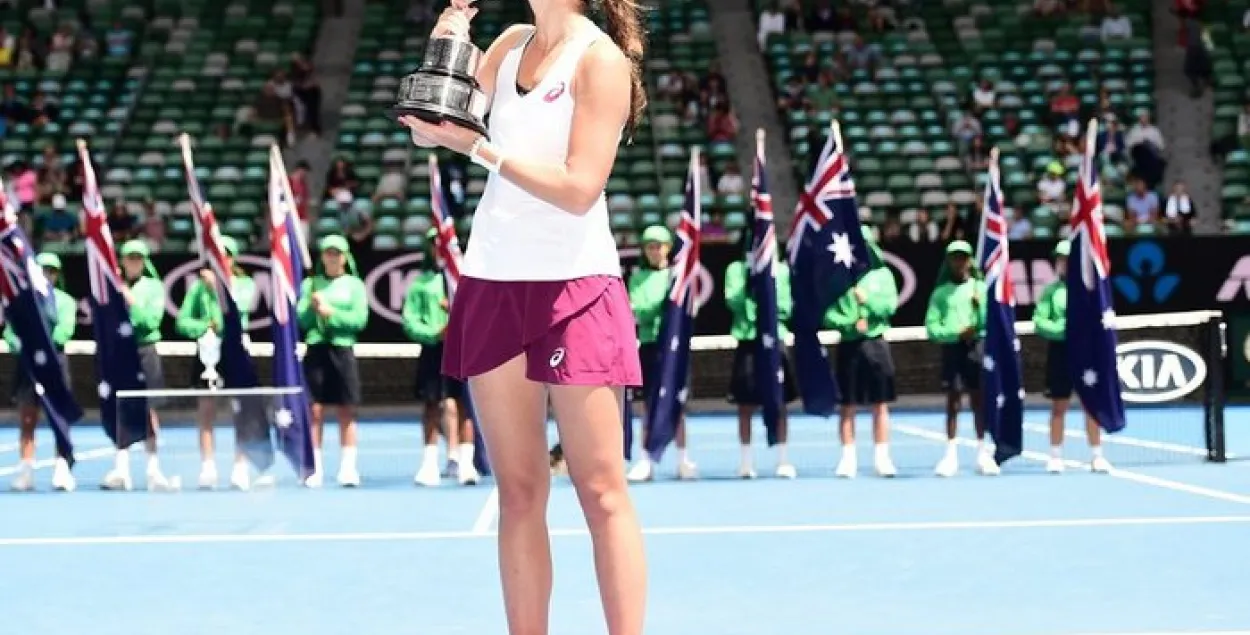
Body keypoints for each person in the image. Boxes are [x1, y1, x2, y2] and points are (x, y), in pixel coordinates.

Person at [399, 0, 649, 632]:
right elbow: (429, 128)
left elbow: (578, 188)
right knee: (518, 490)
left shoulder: (601, 61)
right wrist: (447, 46)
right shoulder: (510, 42)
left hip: (576, 287)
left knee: (600, 491)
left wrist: (480, 150)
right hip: (492, 280)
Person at [175, 236, 262, 491]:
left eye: (225, 254)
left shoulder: (245, 285)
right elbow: (182, 322)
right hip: (207, 350)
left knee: (241, 409)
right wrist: (204, 327)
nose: (220, 259)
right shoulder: (197, 288)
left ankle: (240, 466)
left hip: (235, 350)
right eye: (216, 254)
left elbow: (239, 309)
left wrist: (219, 289)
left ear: (233, 259)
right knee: (206, 409)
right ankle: (208, 467)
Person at [403, 228, 479, 487]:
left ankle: (466, 463)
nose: (439, 248)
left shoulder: (465, 280)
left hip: (463, 350)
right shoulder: (420, 283)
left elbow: (481, 314)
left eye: (443, 243)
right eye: (434, 244)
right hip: (433, 350)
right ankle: (429, 464)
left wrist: (459, 319)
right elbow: (410, 320)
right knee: (432, 404)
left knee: (465, 405)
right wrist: (433, 333)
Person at [1031, 240, 1113, 474]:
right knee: (1059, 405)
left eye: (1068, 259)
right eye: (1060, 259)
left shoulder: (1090, 290)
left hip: (1086, 354)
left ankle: (1097, 455)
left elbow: (1099, 320)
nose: (1064, 263)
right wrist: (1065, 330)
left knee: (1091, 405)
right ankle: (1055, 455)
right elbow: (1040, 322)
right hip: (1060, 352)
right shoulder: (1050, 292)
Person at [823, 226, 898, 479]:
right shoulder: (837, 278)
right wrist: (848, 324)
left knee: (880, 403)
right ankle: (847, 457)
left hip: (876, 343)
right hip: (849, 344)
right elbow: (828, 314)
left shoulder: (883, 275)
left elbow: (890, 305)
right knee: (847, 404)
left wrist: (869, 302)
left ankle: (882, 457)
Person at [102, 240, 177, 491]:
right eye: (129, 257)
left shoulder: (154, 287)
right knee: (120, 408)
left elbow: (151, 320)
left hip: (145, 351)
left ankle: (153, 469)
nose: (134, 262)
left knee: (148, 409)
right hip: (120, 352)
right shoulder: (111, 287)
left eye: (138, 258)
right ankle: (121, 468)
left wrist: (130, 300)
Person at [723, 231, 797, 479]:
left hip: (774, 342)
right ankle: (746, 461)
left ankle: (783, 459)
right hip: (747, 341)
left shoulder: (782, 271)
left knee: (780, 401)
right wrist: (750, 283)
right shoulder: (736, 270)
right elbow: (733, 300)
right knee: (745, 405)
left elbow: (785, 306)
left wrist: (765, 302)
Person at [625, 225, 696, 482]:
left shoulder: (678, 277)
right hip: (650, 345)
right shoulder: (637, 278)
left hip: (673, 347)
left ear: (668, 248)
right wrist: (661, 301)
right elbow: (639, 310)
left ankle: (682, 458)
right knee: (649, 405)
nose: (655, 251)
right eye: (650, 246)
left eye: (659, 246)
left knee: (677, 403)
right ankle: (646, 460)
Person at [298, 234, 368, 488]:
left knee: (346, 408)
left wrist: (332, 314)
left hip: (342, 349)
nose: (332, 257)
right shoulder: (310, 285)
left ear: (345, 257)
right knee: (313, 410)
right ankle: (313, 467)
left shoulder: (354, 285)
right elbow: (302, 321)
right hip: (316, 349)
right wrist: (311, 309)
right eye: (328, 252)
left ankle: (348, 468)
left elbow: (359, 320)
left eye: (337, 253)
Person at [925, 240, 997, 478]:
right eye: (955, 257)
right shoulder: (940, 293)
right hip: (953, 349)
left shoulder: (980, 289)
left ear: (969, 261)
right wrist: (955, 334)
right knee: (953, 401)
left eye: (963, 257)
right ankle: (950, 454)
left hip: (977, 348)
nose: (960, 262)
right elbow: (933, 328)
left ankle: (982, 452)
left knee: (979, 400)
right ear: (949, 261)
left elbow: (991, 321)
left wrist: (980, 309)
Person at [6, 253, 77, 492]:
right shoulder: (21, 302)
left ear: (58, 274)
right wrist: (23, 345)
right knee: (27, 418)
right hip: (28, 364)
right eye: (43, 269)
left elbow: (64, 331)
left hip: (55, 363)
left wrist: (39, 341)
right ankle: (26, 470)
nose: (48, 274)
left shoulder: (66, 301)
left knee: (59, 418)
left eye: (52, 270)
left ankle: (62, 468)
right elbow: (10, 332)